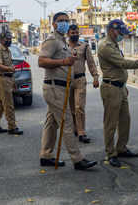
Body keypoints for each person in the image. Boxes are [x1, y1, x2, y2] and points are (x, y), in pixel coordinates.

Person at [98, 19, 138, 168]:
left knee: (125, 120)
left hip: (119, 87)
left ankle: (121, 148)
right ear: (112, 31)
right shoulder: (105, 46)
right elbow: (124, 64)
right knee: (110, 123)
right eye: (120, 33)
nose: (122, 36)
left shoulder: (113, 44)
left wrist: (123, 84)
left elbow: (119, 68)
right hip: (111, 88)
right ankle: (111, 153)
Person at [38, 12, 97, 170]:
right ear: (54, 24)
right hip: (54, 87)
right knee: (67, 123)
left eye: (66, 20)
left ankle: (46, 155)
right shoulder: (52, 40)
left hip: (61, 87)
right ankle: (77, 159)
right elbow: (41, 61)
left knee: (51, 124)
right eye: (60, 21)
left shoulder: (62, 41)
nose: (64, 23)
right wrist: (64, 61)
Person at [67, 24, 99, 143]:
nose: (74, 35)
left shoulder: (84, 46)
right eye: (72, 33)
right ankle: (75, 128)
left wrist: (95, 77)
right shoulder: (63, 47)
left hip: (80, 80)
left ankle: (81, 132)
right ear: (68, 34)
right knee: (71, 109)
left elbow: (91, 63)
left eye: (76, 33)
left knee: (79, 107)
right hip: (67, 81)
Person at [0, 32, 23, 135]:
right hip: (2, 79)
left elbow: (9, 67)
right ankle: (12, 127)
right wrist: (10, 69)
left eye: (10, 38)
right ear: (1, 39)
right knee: (9, 105)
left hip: (8, 79)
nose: (9, 40)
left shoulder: (8, 51)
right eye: (7, 39)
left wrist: (12, 81)